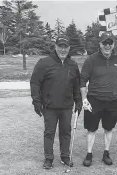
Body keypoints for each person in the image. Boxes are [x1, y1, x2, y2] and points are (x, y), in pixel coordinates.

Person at [80, 31, 117, 167]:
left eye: (110, 43)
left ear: (113, 45)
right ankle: (89, 154)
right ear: (100, 44)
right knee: (91, 129)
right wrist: (84, 99)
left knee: (109, 128)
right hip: (93, 100)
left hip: (111, 100)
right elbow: (82, 80)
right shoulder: (91, 60)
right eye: (104, 43)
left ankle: (106, 153)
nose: (107, 45)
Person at [30, 35, 82, 169]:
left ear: (69, 48)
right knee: (49, 133)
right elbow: (35, 83)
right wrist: (36, 101)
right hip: (49, 106)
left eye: (65, 47)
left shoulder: (73, 65)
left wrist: (78, 100)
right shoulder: (44, 63)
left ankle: (65, 156)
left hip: (66, 107)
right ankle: (48, 158)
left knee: (66, 132)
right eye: (60, 46)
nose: (63, 50)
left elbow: (76, 85)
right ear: (55, 47)